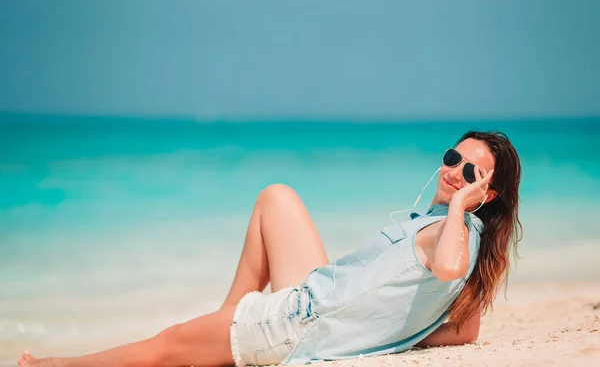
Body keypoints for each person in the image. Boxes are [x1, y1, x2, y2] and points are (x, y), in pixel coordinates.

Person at [18, 130, 522, 367]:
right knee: (276, 199)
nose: (455, 172)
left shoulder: (459, 232)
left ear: (488, 194)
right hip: (316, 299)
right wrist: (391, 330)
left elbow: (449, 264)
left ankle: (56, 366)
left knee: (166, 346)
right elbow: (464, 326)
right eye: (453, 158)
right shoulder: (444, 228)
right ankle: (225, 322)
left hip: (296, 322)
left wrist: (459, 210)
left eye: (472, 172)